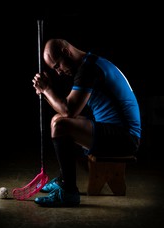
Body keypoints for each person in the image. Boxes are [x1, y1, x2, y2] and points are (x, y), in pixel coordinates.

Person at [32, 39, 141, 207]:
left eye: (57, 66)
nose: (59, 72)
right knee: (57, 120)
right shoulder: (90, 62)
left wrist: (47, 90)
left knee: (61, 126)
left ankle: (68, 193)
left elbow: (69, 110)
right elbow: (64, 111)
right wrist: (45, 92)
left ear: (66, 52)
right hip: (118, 131)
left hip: (125, 138)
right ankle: (63, 179)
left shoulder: (88, 69)